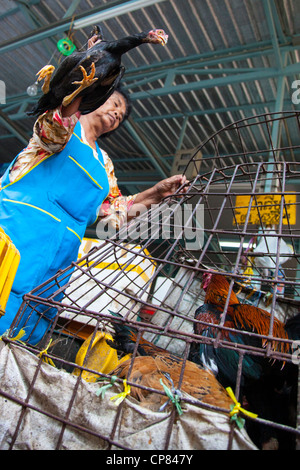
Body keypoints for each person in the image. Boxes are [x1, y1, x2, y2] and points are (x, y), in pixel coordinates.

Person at [0, 83, 187, 345]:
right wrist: (81, 85)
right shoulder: (64, 125)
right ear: (95, 98)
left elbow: (114, 209)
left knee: (32, 317)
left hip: (59, 255)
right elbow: (54, 123)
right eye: (115, 104)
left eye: (121, 116)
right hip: (18, 230)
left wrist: (156, 193)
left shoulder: (104, 163)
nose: (118, 114)